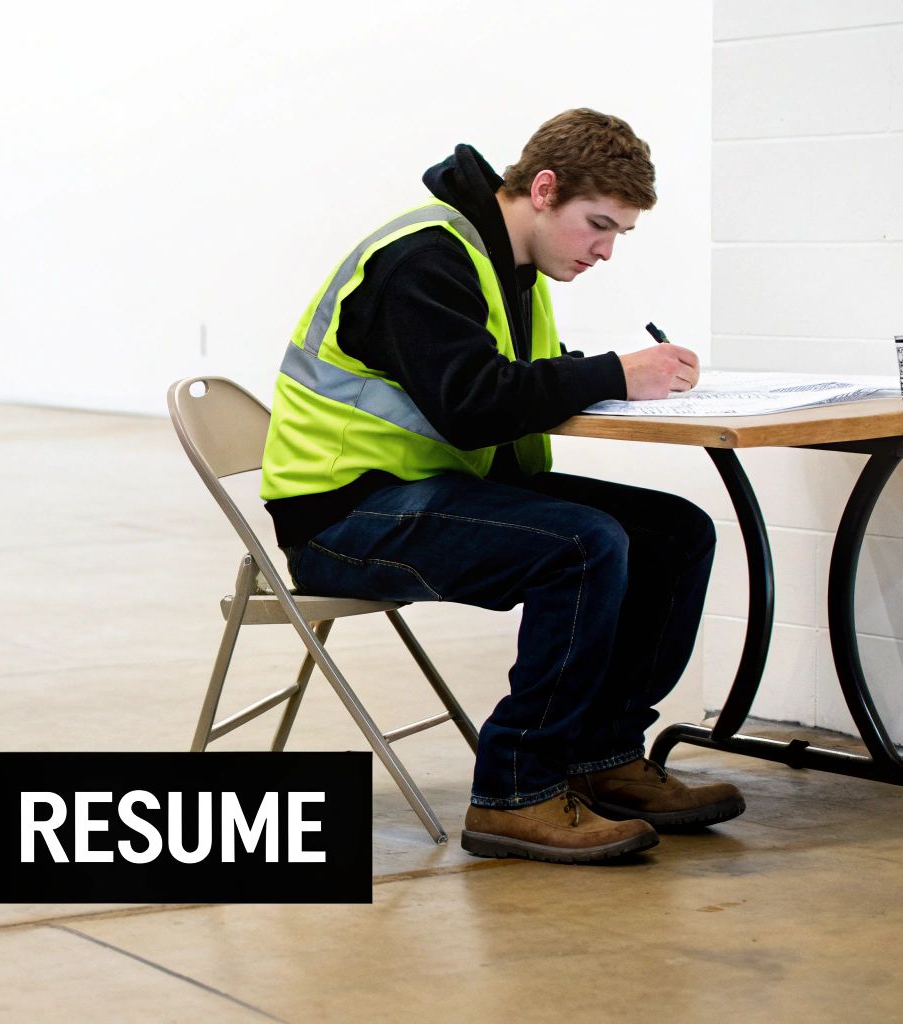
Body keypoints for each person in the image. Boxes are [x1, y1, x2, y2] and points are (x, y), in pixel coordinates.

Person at [260, 108, 741, 864]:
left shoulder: (512, 269)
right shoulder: (425, 259)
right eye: (598, 225)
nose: (606, 250)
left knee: (674, 534)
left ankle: (603, 754)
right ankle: (516, 791)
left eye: (620, 233)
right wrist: (615, 373)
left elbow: (512, 380)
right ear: (543, 190)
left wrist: (615, 377)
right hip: (344, 518)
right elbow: (474, 404)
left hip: (421, 493)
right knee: (582, 544)